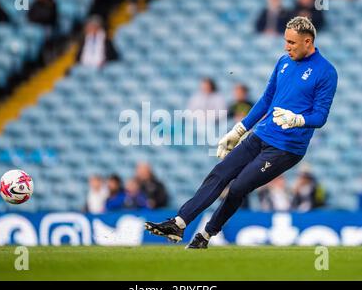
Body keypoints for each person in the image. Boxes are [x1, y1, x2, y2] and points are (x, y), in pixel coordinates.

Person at [145, 16, 338, 248]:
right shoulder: (283, 62)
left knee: (238, 187)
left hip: (286, 148)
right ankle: (179, 223)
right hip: (261, 135)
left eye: (292, 43)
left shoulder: (326, 72)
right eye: (286, 41)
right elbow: (266, 100)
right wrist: (239, 130)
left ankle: (205, 235)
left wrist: (298, 119)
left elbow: (320, 116)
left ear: (308, 42)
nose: (286, 47)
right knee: (220, 172)